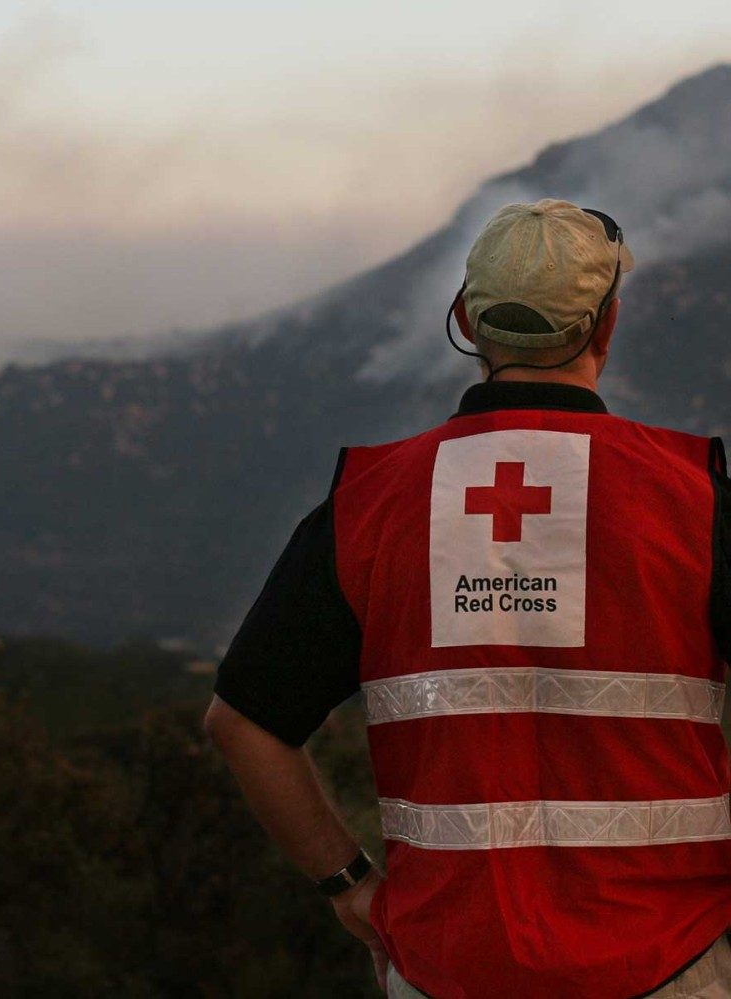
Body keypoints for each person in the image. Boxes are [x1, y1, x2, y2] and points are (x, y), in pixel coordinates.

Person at [203, 199, 731, 997]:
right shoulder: (699, 502)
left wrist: (348, 882)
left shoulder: (370, 507)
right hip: (669, 962)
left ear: (466, 322)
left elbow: (242, 723)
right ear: (606, 326)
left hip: (444, 966)